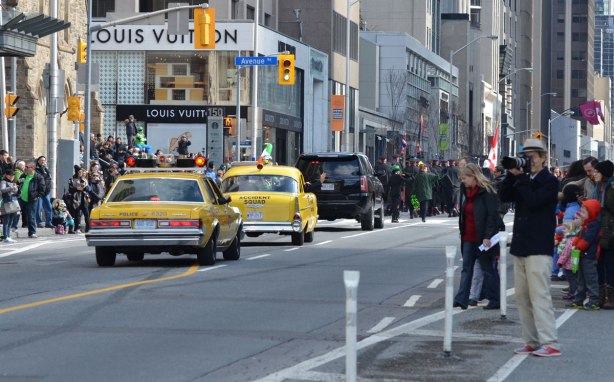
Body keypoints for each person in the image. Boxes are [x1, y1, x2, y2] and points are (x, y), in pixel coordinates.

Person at [499, 138, 560, 357]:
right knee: (522, 297)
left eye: (532, 156)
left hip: (539, 245)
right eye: (525, 156)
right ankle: (532, 341)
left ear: (543, 158)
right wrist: (510, 175)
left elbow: (534, 201)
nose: (528, 161)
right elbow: (504, 197)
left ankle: (550, 342)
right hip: (521, 245)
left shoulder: (550, 181)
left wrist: (522, 179)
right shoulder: (523, 179)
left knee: (539, 295)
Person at [453, 163, 501, 310]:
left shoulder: (487, 191)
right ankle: (462, 298)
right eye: (461, 178)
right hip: (468, 235)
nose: (462, 181)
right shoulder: (465, 190)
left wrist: (487, 236)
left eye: (464, 178)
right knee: (466, 268)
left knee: (487, 268)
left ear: (473, 176)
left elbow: (492, 216)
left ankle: (495, 299)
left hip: (482, 237)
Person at [568, 200, 602, 310]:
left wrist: (577, 246)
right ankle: (579, 300)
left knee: (590, 279)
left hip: (589, 257)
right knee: (580, 279)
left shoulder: (593, 225)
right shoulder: (586, 225)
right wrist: (575, 244)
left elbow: (587, 240)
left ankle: (594, 301)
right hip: (582, 256)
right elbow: (579, 236)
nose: (580, 214)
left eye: (583, 212)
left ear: (591, 213)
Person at [590, 160, 614, 307]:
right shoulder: (598, 187)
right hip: (598, 229)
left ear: (604, 173)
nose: (594, 174)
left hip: (610, 231)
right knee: (599, 263)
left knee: (610, 264)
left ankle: (611, 297)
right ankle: (600, 295)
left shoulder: (610, 187)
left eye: (597, 172)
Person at [18, 161, 46, 239]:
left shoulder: (38, 177)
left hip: (32, 199)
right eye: (25, 167)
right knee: (15, 213)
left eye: (27, 167)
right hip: (21, 199)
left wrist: (37, 196)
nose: (25, 168)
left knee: (31, 216)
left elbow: (42, 189)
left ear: (33, 168)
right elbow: (18, 184)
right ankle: (11, 229)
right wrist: (18, 192)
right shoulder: (23, 175)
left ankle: (32, 232)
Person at [67, 166, 90, 234]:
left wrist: (85, 187)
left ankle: (88, 228)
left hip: (84, 198)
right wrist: (77, 188)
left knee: (86, 214)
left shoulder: (84, 179)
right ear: (76, 172)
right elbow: (70, 189)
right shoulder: (72, 179)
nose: (81, 173)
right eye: (79, 172)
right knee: (77, 214)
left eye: (81, 172)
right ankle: (77, 228)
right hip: (76, 199)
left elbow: (88, 189)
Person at [0, 169, 20, 243]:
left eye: (13, 175)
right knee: (6, 221)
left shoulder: (13, 182)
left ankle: (8, 236)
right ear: (6, 175)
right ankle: (5, 237)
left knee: (11, 220)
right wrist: (12, 188)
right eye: (10, 175)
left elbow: (15, 192)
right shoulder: (3, 181)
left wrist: (16, 189)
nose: (12, 177)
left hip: (13, 202)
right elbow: (2, 190)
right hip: (6, 202)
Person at [35, 156, 54, 228]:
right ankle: (39, 222)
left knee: (48, 207)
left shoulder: (46, 169)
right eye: (41, 160)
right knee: (38, 208)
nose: (43, 161)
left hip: (46, 192)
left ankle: (49, 222)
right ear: (38, 161)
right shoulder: (36, 170)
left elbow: (49, 180)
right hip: (39, 192)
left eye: (44, 160)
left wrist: (48, 189)